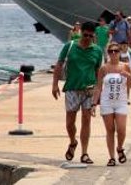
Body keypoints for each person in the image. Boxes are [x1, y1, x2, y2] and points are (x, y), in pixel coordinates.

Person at [52, 21, 103, 164]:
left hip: (89, 90)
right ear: (81, 32)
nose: (87, 38)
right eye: (85, 35)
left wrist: (99, 91)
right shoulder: (70, 46)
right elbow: (59, 64)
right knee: (70, 122)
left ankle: (84, 153)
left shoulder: (97, 51)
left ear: (94, 36)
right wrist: (55, 84)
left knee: (86, 121)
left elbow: (99, 71)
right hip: (72, 88)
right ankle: (73, 141)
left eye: (90, 36)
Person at [92, 42, 131, 167]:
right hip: (107, 102)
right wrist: (94, 103)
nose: (113, 53)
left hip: (121, 101)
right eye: (111, 51)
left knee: (121, 129)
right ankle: (111, 157)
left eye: (116, 51)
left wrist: (129, 76)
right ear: (108, 53)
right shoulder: (104, 68)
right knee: (110, 130)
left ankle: (120, 148)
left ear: (120, 52)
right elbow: (99, 87)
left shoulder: (125, 66)